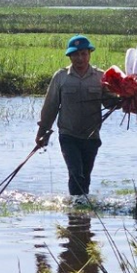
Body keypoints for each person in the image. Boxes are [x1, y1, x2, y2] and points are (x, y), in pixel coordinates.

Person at [36, 35, 113, 204]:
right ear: (70, 56)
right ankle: (77, 214)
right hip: (68, 135)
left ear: (89, 54)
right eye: (75, 54)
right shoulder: (61, 77)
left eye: (83, 54)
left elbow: (109, 103)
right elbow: (51, 106)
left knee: (85, 176)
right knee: (76, 173)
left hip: (91, 137)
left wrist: (124, 98)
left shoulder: (101, 77)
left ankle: (80, 215)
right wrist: (43, 132)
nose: (80, 58)